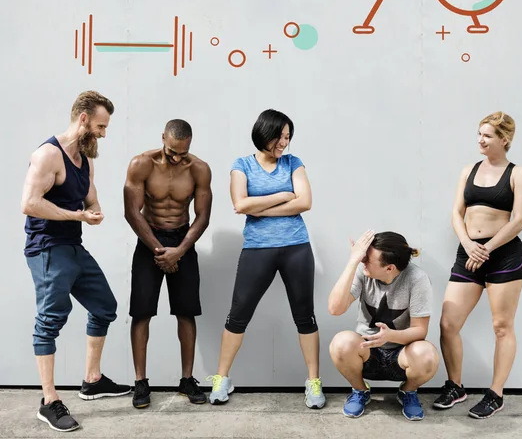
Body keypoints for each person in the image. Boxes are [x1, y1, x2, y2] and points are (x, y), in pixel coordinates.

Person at [22, 90, 130, 433]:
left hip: (72, 246)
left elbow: (90, 198)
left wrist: (94, 211)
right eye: (100, 125)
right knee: (50, 320)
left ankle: (92, 380)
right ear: (83, 119)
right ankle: (49, 401)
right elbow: (30, 204)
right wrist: (77, 216)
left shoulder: (86, 158)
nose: (103, 133)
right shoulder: (47, 156)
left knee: (105, 306)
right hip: (47, 247)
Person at [208, 109, 325, 409]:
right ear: (265, 133)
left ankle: (313, 382)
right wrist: (285, 195)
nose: (284, 143)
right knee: (238, 314)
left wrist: (258, 208)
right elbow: (240, 204)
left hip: (296, 247)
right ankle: (222, 378)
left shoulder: (293, 163)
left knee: (305, 315)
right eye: (280, 136)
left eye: (288, 137)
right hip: (257, 248)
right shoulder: (242, 164)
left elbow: (306, 201)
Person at [434, 112, 522, 419]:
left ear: (504, 140)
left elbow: (519, 220)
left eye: (487, 135)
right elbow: (455, 213)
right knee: (448, 324)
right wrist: (467, 245)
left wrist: (486, 248)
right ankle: (456, 387)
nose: (480, 140)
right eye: (479, 134)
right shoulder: (469, 170)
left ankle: (495, 393)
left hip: (503, 255)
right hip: (469, 253)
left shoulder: (517, 174)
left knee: (502, 327)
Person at [124, 119, 212, 409]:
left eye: (183, 152)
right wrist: (162, 251)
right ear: (163, 138)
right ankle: (140, 382)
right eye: (172, 151)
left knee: (186, 313)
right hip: (150, 240)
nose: (177, 158)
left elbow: (202, 216)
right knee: (141, 312)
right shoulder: (142, 164)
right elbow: (132, 213)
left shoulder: (198, 168)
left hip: (183, 240)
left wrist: (180, 250)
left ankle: (187, 379)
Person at [328, 230, 438, 421]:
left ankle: (407, 392)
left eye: (366, 259)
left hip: (401, 356)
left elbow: (420, 330)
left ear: (389, 268)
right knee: (341, 343)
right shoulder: (363, 272)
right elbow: (335, 309)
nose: (363, 261)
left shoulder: (417, 278)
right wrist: (352, 262)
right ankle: (360, 390)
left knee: (427, 355)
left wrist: (390, 336)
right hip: (368, 352)